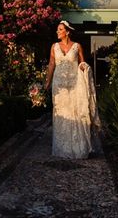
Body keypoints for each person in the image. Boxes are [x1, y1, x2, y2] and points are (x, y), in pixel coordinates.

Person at [44, 20, 101, 159]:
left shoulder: (77, 46)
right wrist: (47, 83)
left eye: (60, 29)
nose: (57, 31)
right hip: (59, 85)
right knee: (61, 113)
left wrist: (85, 67)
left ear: (67, 32)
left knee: (75, 113)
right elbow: (51, 64)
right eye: (57, 29)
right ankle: (62, 149)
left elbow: (82, 63)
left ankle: (78, 147)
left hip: (75, 84)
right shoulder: (54, 46)